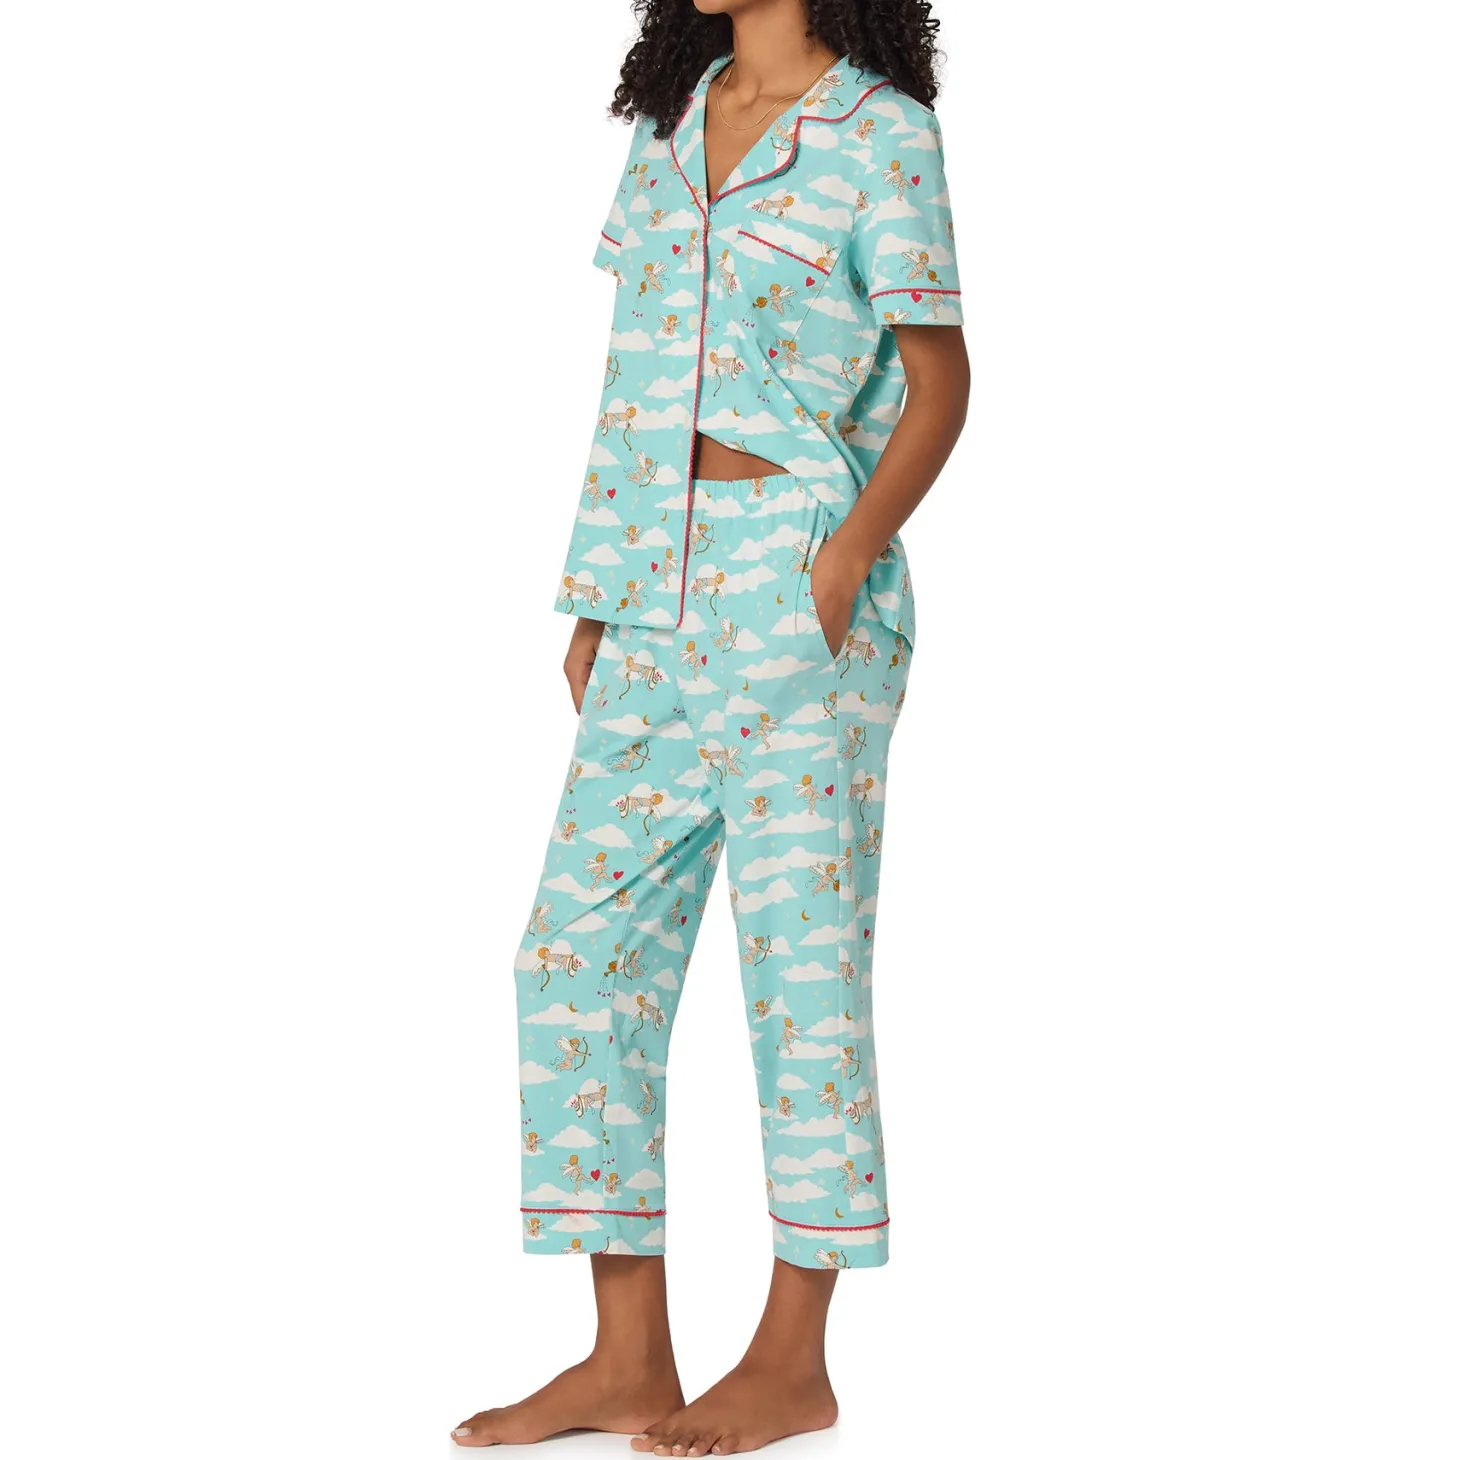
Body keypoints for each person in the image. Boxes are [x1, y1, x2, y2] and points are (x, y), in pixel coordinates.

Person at [454, 1, 968, 1452]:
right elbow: (632, 379)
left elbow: (942, 382)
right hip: (650, 584)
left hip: (797, 581)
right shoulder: (670, 128)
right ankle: (628, 1357)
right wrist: (597, 594)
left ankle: (794, 1360)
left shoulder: (881, 137)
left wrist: (845, 556)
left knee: (801, 978)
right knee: (575, 954)